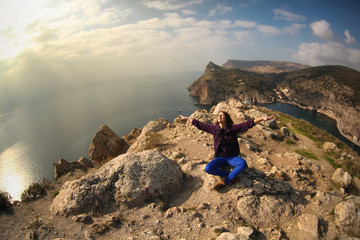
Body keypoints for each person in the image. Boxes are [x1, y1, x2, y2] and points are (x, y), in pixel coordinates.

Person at [179, 111, 274, 190]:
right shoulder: (214, 129)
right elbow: (199, 124)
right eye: (218, 115)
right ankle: (228, 175)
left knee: (243, 163)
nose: (219, 116)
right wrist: (187, 118)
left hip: (232, 158)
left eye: (222, 115)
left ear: (226, 119)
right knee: (208, 168)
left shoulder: (233, 129)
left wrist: (261, 119)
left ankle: (225, 181)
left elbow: (248, 124)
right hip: (220, 158)